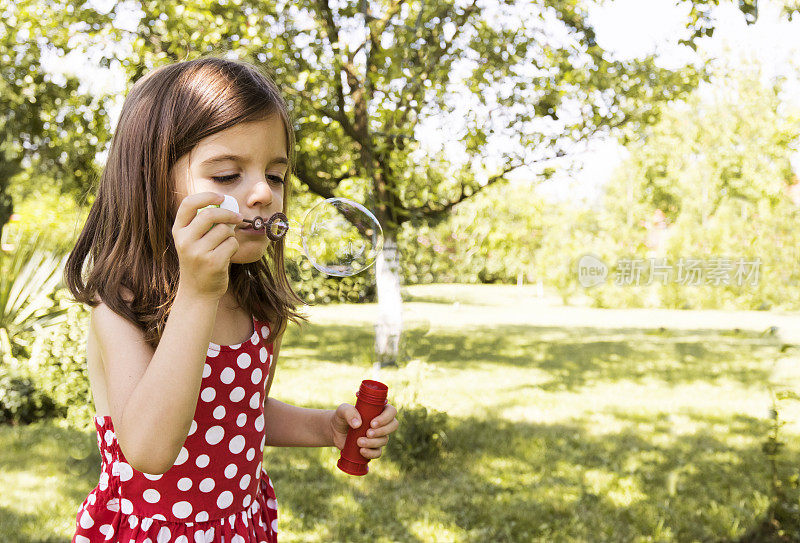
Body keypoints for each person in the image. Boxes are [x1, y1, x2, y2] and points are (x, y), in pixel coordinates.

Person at [64, 57, 399, 543]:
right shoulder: (122, 306)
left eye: (277, 175)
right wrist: (197, 295)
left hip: (240, 527)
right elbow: (149, 450)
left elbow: (241, 413)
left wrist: (325, 428)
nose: (264, 192)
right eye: (226, 176)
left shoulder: (257, 304)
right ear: (152, 184)